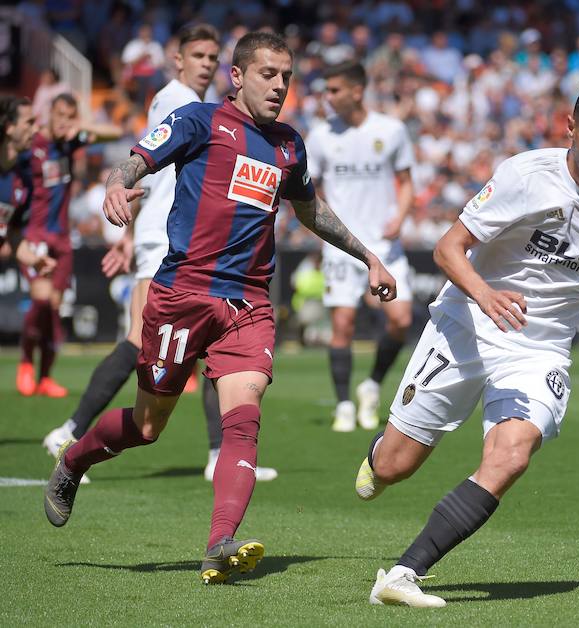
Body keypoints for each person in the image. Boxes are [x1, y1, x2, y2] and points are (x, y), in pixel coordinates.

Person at [43, 31, 397, 585]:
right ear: (237, 76)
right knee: (148, 425)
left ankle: (220, 542)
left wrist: (368, 256)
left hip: (249, 301)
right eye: (268, 74)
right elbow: (134, 161)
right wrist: (116, 186)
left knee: (245, 415)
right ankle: (72, 461)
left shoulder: (288, 145)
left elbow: (310, 210)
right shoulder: (198, 121)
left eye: (287, 75)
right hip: (183, 294)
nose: (280, 85)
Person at [354, 75, 579, 607]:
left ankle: (402, 574)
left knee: (511, 456)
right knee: (394, 468)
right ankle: (378, 453)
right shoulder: (524, 176)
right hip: (466, 324)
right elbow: (449, 250)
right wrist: (487, 296)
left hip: (541, 350)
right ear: (570, 129)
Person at [41, 24, 278, 484]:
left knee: (210, 346)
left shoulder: (198, 107)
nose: (207, 63)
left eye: (213, 56)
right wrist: (133, 217)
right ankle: (69, 432)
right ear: (178, 59)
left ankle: (215, 452)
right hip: (173, 243)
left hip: (175, 236)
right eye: (199, 55)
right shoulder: (179, 102)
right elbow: (148, 161)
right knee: (138, 340)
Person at [306, 61, 415, 432]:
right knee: (343, 324)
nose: (328, 97)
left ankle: (371, 385)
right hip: (341, 246)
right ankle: (343, 405)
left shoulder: (392, 130)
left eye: (335, 90)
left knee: (400, 320)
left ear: (357, 90)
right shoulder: (320, 136)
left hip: (384, 244)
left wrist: (400, 216)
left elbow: (406, 182)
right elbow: (310, 192)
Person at [17, 93, 123, 398]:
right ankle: (26, 361)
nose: (64, 121)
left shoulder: (69, 143)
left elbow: (115, 133)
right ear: (49, 113)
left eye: (69, 115)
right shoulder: (32, 145)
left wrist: (79, 125)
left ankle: (46, 376)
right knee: (41, 299)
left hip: (63, 238)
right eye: (60, 115)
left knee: (53, 306)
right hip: (35, 236)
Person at [0, 96, 55, 275]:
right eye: (29, 122)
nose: (36, 129)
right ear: (9, 126)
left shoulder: (24, 182)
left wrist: (34, 260)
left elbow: (14, 234)